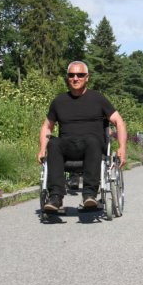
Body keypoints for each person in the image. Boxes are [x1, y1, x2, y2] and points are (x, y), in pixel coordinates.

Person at [38, 61, 127, 212]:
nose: (75, 78)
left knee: (93, 141)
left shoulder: (98, 99)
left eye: (80, 75)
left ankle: (89, 195)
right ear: (67, 78)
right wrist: (41, 149)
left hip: (91, 147)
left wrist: (122, 148)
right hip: (67, 146)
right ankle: (55, 198)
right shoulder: (59, 101)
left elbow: (119, 121)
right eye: (71, 75)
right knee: (53, 144)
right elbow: (47, 126)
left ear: (87, 77)